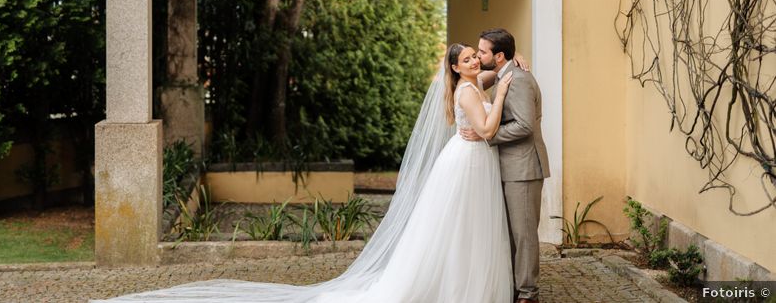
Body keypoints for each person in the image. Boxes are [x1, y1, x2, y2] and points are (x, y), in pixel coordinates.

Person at [98, 43, 520, 303]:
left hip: (466, 161)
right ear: (456, 67)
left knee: (461, 227)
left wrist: (502, 71)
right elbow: (485, 128)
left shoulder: (468, 83)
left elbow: (484, 79)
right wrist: (501, 91)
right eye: (467, 58)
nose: (474, 61)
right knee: (463, 227)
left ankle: (462, 285)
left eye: (475, 57)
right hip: (468, 160)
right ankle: (461, 288)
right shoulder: (469, 89)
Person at [460, 28, 550, 303]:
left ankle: (527, 294)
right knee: (511, 233)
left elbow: (524, 125)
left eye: (483, 52)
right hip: (509, 166)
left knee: (523, 234)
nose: (478, 56)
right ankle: (515, 288)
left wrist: (487, 135)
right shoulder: (500, 74)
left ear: (498, 56)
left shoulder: (519, 80)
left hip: (523, 168)